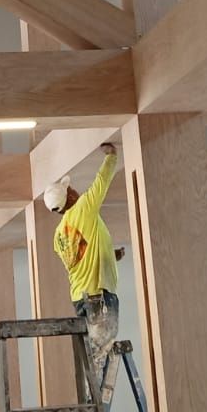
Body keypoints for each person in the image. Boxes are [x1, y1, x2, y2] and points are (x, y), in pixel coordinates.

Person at [44, 140, 126, 389]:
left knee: (92, 359)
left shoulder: (59, 235)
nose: (76, 190)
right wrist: (111, 156)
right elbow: (100, 184)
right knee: (101, 359)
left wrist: (111, 255)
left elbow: (81, 259)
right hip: (98, 297)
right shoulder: (83, 209)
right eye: (71, 189)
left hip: (80, 299)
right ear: (69, 195)